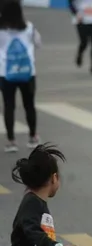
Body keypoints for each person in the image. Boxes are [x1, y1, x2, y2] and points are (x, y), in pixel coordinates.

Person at [0, 0, 41, 153]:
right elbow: (38, 43)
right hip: (27, 73)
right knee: (29, 105)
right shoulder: (29, 27)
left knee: (9, 106)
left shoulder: (1, 30)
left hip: (6, 73)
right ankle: (33, 137)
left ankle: (11, 140)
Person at [69, 0, 92, 75]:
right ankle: (80, 54)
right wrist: (75, 13)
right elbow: (70, 3)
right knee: (84, 42)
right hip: (81, 19)